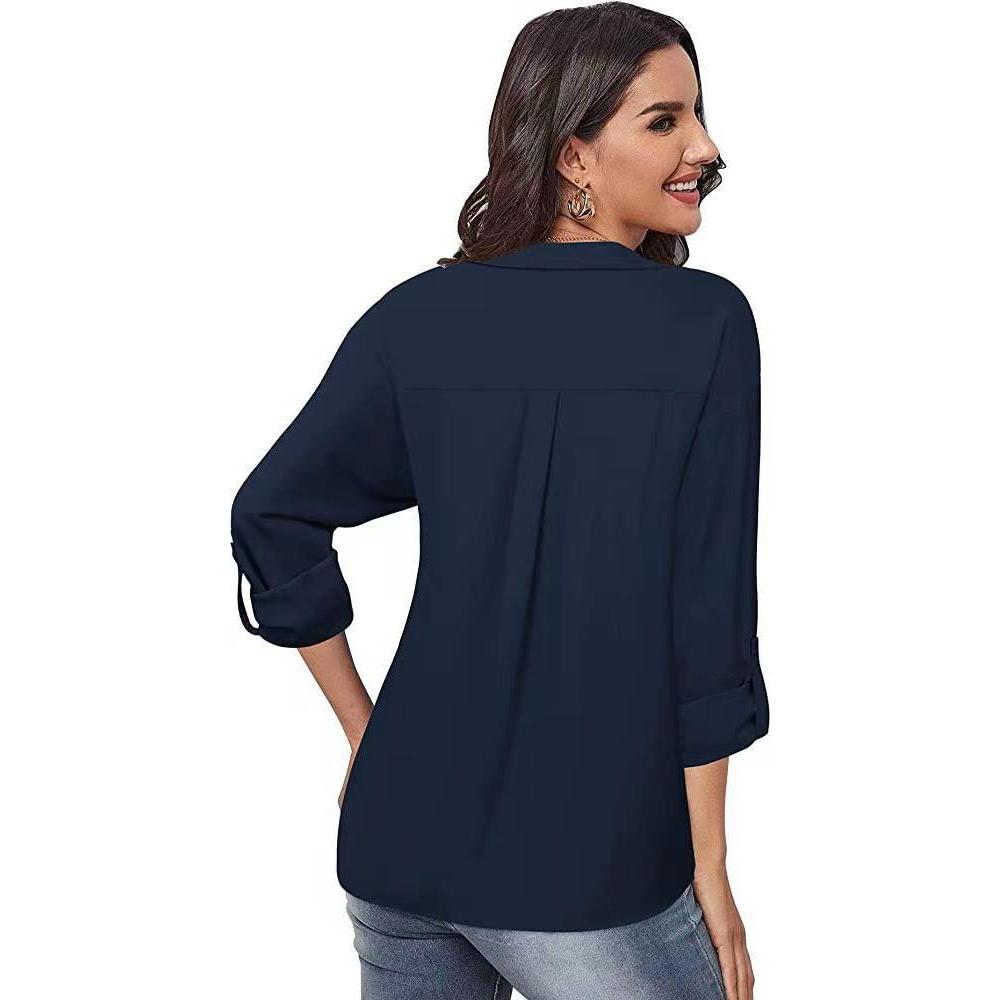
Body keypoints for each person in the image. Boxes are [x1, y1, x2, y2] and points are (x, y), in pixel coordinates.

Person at [229, 4, 769, 998]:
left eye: (697, 114)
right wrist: (712, 870)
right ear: (573, 155)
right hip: (587, 865)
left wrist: (368, 736)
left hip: (399, 841)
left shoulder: (418, 317)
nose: (704, 146)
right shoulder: (704, 325)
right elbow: (708, 624)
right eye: (664, 121)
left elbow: (273, 513)